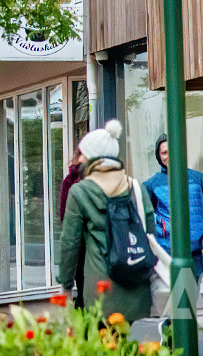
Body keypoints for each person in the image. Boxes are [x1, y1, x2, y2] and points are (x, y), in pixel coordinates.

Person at [55, 120, 163, 323]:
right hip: (135, 281)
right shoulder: (135, 187)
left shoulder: (80, 191)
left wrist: (66, 284)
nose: (81, 157)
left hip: (100, 287)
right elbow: (149, 231)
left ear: (93, 157)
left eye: (84, 153)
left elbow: (70, 243)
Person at [144, 134, 203, 288]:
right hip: (168, 250)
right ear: (158, 156)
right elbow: (142, 213)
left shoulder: (198, 179)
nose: (169, 156)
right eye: (164, 152)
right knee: (174, 297)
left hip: (194, 249)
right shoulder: (152, 184)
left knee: (192, 295)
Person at [57, 146, 87, 306]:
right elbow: (68, 229)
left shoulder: (115, 181)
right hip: (83, 257)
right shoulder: (71, 182)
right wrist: (66, 280)